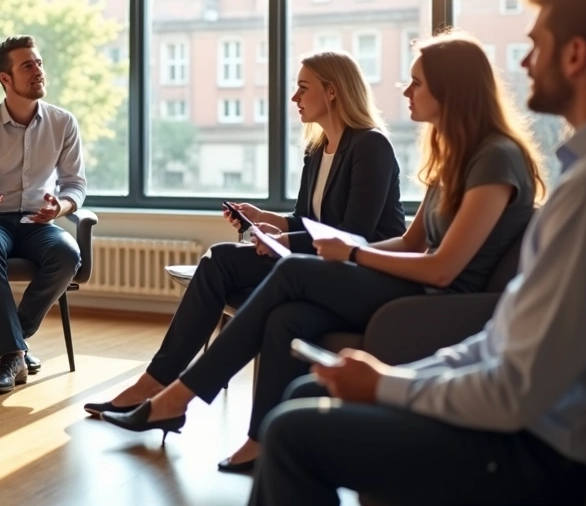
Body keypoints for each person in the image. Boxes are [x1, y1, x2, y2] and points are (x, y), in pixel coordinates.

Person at [249, 0, 586, 506]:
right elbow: (504, 339)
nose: (526, 62)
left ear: (576, 55)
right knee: (308, 388)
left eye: (537, 45)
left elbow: (516, 392)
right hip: (518, 419)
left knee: (292, 433)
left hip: (532, 451)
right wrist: (395, 373)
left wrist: (388, 385)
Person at [101, 30, 545, 473]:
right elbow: (411, 242)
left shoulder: (494, 157)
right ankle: (261, 441)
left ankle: (179, 396)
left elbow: (444, 269)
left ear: (452, 90)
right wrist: (328, 246)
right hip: (408, 280)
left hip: (438, 302)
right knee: (285, 318)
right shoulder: (450, 157)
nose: (405, 90)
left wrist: (351, 254)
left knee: (292, 272)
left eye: (416, 82)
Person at [86, 51, 405, 417]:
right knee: (219, 259)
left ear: (332, 92)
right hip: (315, 258)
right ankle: (156, 382)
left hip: (359, 269)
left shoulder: (370, 146)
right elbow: (306, 219)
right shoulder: (317, 150)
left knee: (236, 270)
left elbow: (355, 233)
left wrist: (285, 241)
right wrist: (266, 220)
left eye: (303, 88)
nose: (294, 98)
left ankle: (162, 391)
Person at [0, 35, 87, 393]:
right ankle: (14, 352)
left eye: (39, 63)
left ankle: (13, 345)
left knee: (67, 253)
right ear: (5, 79)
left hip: (36, 221)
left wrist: (60, 206)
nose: (38, 71)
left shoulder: (63, 123)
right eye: (27, 65)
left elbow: (76, 184)